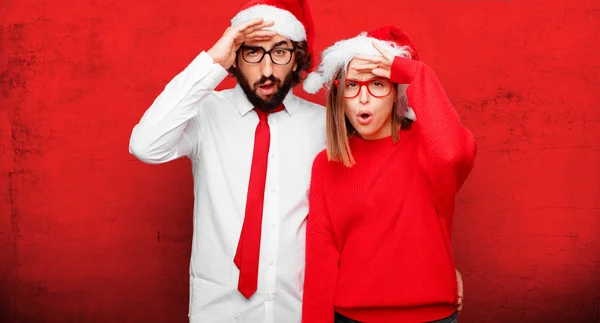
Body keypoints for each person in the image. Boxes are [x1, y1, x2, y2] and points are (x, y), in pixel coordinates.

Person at [129, 0, 464, 319]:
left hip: (297, 308)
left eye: (280, 52)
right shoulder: (205, 114)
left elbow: (395, 185)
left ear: (297, 59)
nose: (267, 69)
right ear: (235, 56)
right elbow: (146, 145)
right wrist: (212, 60)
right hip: (218, 309)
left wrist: (436, 265)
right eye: (252, 51)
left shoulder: (327, 125)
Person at [301, 26, 477, 323]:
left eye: (379, 84)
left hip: (432, 317)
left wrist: (415, 72)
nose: (364, 98)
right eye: (352, 85)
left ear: (397, 93)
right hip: (351, 317)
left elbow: (453, 153)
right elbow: (321, 256)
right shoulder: (326, 163)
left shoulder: (427, 149)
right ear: (339, 95)